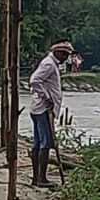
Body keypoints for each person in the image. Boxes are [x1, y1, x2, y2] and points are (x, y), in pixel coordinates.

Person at [27, 41, 73, 188]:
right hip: (43, 110)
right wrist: (47, 97)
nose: (66, 57)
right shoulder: (49, 64)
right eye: (64, 54)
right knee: (45, 143)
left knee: (39, 143)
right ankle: (41, 178)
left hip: (40, 109)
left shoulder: (51, 64)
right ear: (57, 52)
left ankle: (37, 178)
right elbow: (34, 81)